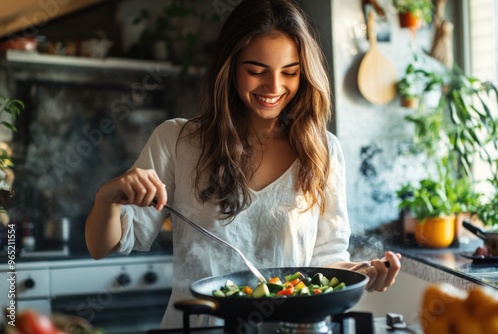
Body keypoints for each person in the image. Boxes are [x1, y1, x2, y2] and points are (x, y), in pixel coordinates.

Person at [85, 0, 401, 329]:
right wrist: (108, 198)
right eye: (256, 71)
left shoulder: (322, 150)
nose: (274, 87)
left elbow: (325, 259)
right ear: (230, 67)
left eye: (290, 72)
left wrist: (363, 274)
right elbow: (100, 246)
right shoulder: (176, 141)